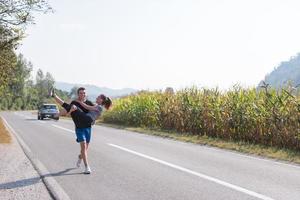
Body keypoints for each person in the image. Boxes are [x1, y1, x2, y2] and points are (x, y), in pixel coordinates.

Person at [50, 87, 111, 174]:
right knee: (71, 106)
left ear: (86, 94)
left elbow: (94, 112)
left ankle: (80, 157)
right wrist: (70, 110)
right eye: (81, 93)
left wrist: (94, 120)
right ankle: (87, 167)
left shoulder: (91, 104)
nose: (82, 94)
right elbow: (67, 110)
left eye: (84, 93)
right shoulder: (75, 102)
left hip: (87, 128)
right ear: (78, 94)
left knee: (84, 150)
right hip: (79, 128)